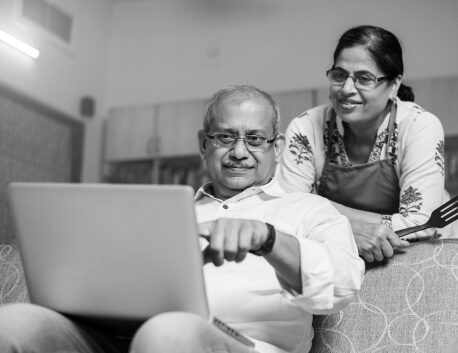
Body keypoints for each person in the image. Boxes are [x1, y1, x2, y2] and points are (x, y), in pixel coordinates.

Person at [0, 85, 364, 353]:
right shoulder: (162, 213)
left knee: (168, 333)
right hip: (123, 338)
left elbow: (342, 287)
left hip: (242, 344)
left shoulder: (311, 210)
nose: (239, 152)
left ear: (278, 147)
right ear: (204, 143)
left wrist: (267, 238)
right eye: (225, 137)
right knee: (14, 323)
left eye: (255, 139)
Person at [276, 25, 456, 263]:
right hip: (350, 254)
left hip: (432, 255)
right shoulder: (306, 128)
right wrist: (352, 230)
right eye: (339, 75)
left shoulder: (419, 126)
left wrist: (320, 207)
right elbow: (287, 215)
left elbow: (421, 225)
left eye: (364, 78)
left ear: (393, 85)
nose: (347, 89)